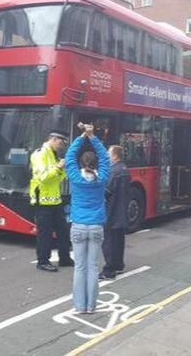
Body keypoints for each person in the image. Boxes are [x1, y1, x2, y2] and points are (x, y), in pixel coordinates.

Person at [65, 123, 110, 314]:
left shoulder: (75, 177)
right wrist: (93, 137)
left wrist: (82, 136)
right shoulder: (102, 178)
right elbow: (106, 159)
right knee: (93, 268)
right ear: (95, 163)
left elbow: (68, 157)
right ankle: (91, 306)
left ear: (81, 163)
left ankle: (79, 306)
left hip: (78, 226)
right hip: (96, 226)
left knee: (80, 268)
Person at [30, 130, 75, 272]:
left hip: (55, 199)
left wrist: (61, 171)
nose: (62, 146)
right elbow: (43, 177)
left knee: (63, 230)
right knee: (45, 233)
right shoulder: (39, 154)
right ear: (54, 139)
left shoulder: (54, 155)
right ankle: (43, 261)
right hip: (42, 201)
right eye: (61, 142)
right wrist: (58, 167)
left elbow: (59, 178)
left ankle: (64, 258)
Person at [99, 145, 131, 280]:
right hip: (121, 210)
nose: (107, 155)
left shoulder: (113, 171)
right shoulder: (124, 169)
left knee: (109, 241)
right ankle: (118, 265)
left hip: (111, 211)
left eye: (108, 153)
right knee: (119, 239)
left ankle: (109, 269)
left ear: (115, 156)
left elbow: (106, 191)